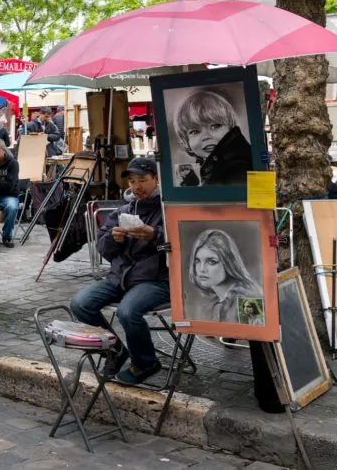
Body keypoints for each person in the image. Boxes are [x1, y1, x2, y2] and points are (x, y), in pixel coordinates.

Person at [69, 156, 169, 386]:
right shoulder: (123, 209)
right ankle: (114, 350)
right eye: (132, 181)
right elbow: (104, 248)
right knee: (80, 303)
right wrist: (115, 239)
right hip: (120, 277)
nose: (136, 187)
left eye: (142, 180)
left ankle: (146, 362)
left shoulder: (167, 209)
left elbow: (180, 242)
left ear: (155, 179)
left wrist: (154, 235)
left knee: (127, 312)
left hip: (156, 279)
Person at [175, 90, 252, 186]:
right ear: (186, 142)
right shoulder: (206, 166)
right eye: (195, 131)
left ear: (230, 127)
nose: (206, 137)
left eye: (215, 126)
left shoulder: (237, 167)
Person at [186, 227, 263, 323]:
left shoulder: (247, 298)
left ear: (228, 262)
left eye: (211, 262)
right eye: (197, 261)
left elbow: (255, 335)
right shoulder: (215, 300)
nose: (202, 269)